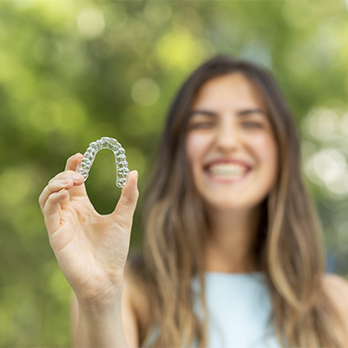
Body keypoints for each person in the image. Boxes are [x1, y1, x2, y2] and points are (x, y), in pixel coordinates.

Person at [39, 55, 348, 348]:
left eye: (251, 123)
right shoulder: (126, 290)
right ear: (178, 151)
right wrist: (98, 300)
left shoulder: (334, 303)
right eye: (203, 123)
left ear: (282, 149)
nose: (226, 141)